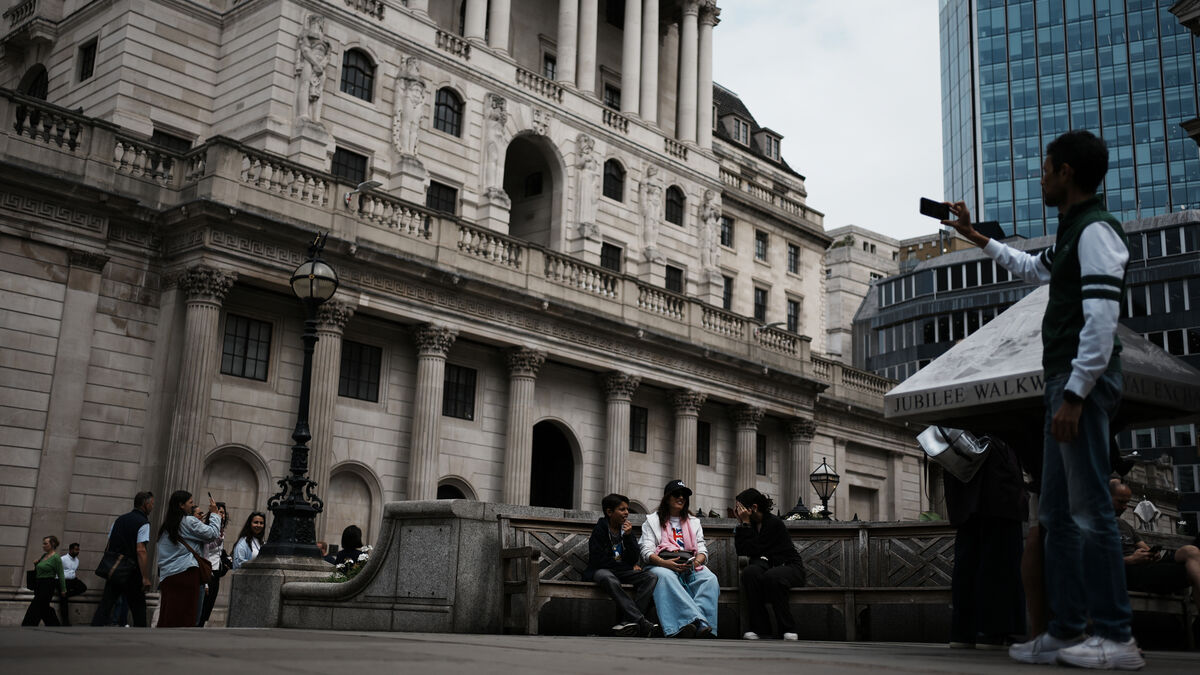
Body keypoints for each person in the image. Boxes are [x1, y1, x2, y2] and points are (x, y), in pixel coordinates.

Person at [945, 129, 1142, 670]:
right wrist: (975, 236)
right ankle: (1066, 630)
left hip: (1081, 383)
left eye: (1046, 169)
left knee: (1091, 511)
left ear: (1066, 173)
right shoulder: (1075, 231)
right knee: (1056, 513)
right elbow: (1032, 268)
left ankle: (1117, 638)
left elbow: (1102, 319)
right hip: (1064, 382)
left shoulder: (1097, 231)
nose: (1041, 178)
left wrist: (1075, 394)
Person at [942, 436, 1027, 648]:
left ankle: (963, 632)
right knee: (1000, 557)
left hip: (963, 464)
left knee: (968, 555)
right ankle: (992, 630)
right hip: (997, 474)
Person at [638, 480, 719, 638]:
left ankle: (700, 626)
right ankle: (696, 622)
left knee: (709, 579)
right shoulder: (652, 521)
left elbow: (702, 550)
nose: (681, 497)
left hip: (689, 565)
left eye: (684, 495)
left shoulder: (694, 522)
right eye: (676, 494)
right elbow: (646, 551)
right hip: (661, 564)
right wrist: (665, 563)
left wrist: (695, 562)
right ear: (667, 498)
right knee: (665, 576)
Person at [1112, 480, 1200, 613]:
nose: (1125, 507)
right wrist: (1131, 559)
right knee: (1191, 570)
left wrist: (1151, 554)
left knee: (1191, 551)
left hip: (1145, 567)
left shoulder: (1124, 524)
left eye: (1127, 502)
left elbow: (1145, 548)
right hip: (1126, 572)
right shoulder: (1093, 525)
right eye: (1121, 502)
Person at [733, 488, 806, 641]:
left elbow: (755, 548)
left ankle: (787, 628)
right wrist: (744, 524)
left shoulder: (773, 523)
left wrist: (745, 524)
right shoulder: (749, 525)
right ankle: (760, 629)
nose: (738, 511)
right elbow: (742, 550)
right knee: (750, 573)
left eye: (740, 508)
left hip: (789, 566)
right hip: (767, 566)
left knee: (772, 577)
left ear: (753, 507)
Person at [582, 493, 659, 637]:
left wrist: (629, 537)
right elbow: (599, 560)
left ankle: (628, 622)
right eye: (622, 509)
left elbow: (633, 557)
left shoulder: (626, 530)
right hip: (601, 570)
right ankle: (640, 621)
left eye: (627, 509)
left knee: (650, 577)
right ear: (609, 512)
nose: (626, 512)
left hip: (621, 571)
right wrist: (628, 567)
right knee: (608, 578)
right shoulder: (600, 530)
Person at [156, 490, 221, 627]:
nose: (192, 505)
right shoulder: (188, 521)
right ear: (181, 505)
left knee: (169, 615)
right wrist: (215, 514)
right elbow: (213, 534)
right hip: (186, 573)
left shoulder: (167, 525)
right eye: (190, 502)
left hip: (167, 575)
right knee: (186, 616)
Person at [91, 490, 154, 627]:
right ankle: (141, 633)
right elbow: (141, 550)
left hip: (115, 569)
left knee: (106, 604)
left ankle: (94, 627)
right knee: (138, 608)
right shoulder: (143, 523)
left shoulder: (119, 520)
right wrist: (145, 577)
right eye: (151, 504)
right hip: (132, 571)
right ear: (145, 504)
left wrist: (109, 563)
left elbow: (109, 544)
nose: (152, 507)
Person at [22, 535, 66, 626]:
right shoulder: (44, 556)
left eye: (45, 544)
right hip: (39, 584)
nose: (43, 546)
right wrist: (36, 564)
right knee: (44, 607)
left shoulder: (56, 558)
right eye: (43, 544)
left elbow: (61, 574)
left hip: (48, 585)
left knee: (36, 605)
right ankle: (54, 625)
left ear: (52, 544)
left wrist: (63, 589)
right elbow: (40, 570)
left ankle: (28, 624)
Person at [197, 502, 227, 626]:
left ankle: (201, 624)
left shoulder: (221, 531)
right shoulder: (208, 530)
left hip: (216, 571)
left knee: (209, 606)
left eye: (223, 513)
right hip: (207, 571)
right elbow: (206, 549)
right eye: (219, 512)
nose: (222, 515)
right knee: (203, 605)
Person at [59, 542, 87, 626]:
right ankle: (65, 621)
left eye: (78, 550)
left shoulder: (77, 560)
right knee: (64, 600)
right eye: (76, 549)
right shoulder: (63, 559)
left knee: (83, 587)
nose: (78, 551)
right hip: (64, 580)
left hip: (73, 579)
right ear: (70, 550)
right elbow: (58, 573)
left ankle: (67, 594)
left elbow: (73, 571)